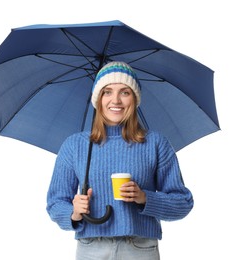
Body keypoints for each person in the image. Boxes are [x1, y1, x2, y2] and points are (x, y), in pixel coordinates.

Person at [46, 61, 194, 260]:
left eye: (125, 92)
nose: (115, 100)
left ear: (135, 99)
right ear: (98, 99)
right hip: (91, 249)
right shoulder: (75, 145)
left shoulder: (155, 143)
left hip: (140, 249)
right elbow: (55, 203)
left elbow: (183, 202)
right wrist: (74, 212)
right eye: (107, 92)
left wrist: (144, 198)